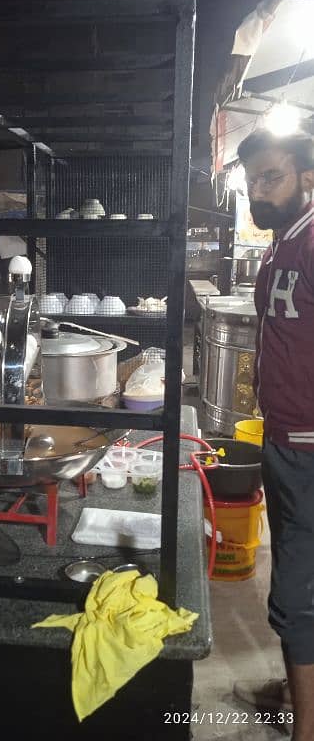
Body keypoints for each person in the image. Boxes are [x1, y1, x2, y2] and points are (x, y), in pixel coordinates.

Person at [232, 130, 314, 741]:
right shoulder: (281, 244)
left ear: (306, 178)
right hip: (286, 439)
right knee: (299, 573)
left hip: (309, 446)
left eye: (272, 178)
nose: (259, 191)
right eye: (252, 180)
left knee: (296, 596)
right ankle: (293, 691)